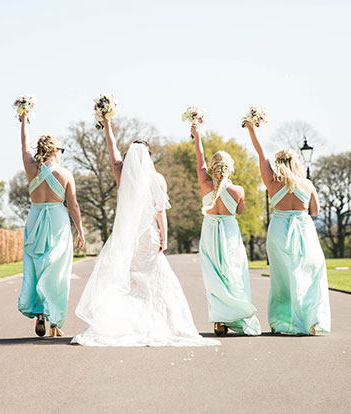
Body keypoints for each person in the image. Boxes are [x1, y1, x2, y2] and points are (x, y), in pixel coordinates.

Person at [72, 117, 218, 347]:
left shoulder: (122, 176)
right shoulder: (157, 179)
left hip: (128, 237)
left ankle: (131, 324)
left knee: (129, 283)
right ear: (149, 158)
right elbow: (160, 213)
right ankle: (159, 324)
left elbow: (113, 154)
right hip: (149, 236)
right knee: (157, 282)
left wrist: (107, 125)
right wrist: (165, 237)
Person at [244, 121, 331, 335]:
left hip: (279, 230)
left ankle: (280, 322)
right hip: (304, 230)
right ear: (296, 163)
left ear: (278, 163)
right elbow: (315, 212)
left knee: (281, 278)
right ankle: (310, 320)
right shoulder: (307, 185)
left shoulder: (272, 182)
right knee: (310, 273)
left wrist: (252, 130)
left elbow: (261, 153)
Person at [17, 112, 85, 337]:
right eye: (61, 150)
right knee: (57, 270)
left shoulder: (30, 168)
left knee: (36, 266)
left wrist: (24, 119)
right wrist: (80, 231)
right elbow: (73, 206)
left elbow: (24, 145)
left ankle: (39, 314)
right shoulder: (65, 174)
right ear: (55, 151)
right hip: (57, 221)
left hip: (35, 218)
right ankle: (55, 322)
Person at [191, 125, 261, 336]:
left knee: (213, 275)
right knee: (233, 273)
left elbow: (199, 159)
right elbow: (240, 210)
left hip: (211, 230)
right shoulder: (238, 190)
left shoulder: (205, 184)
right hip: (229, 232)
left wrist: (197, 136)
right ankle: (239, 315)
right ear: (230, 168)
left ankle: (219, 321)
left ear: (213, 168)